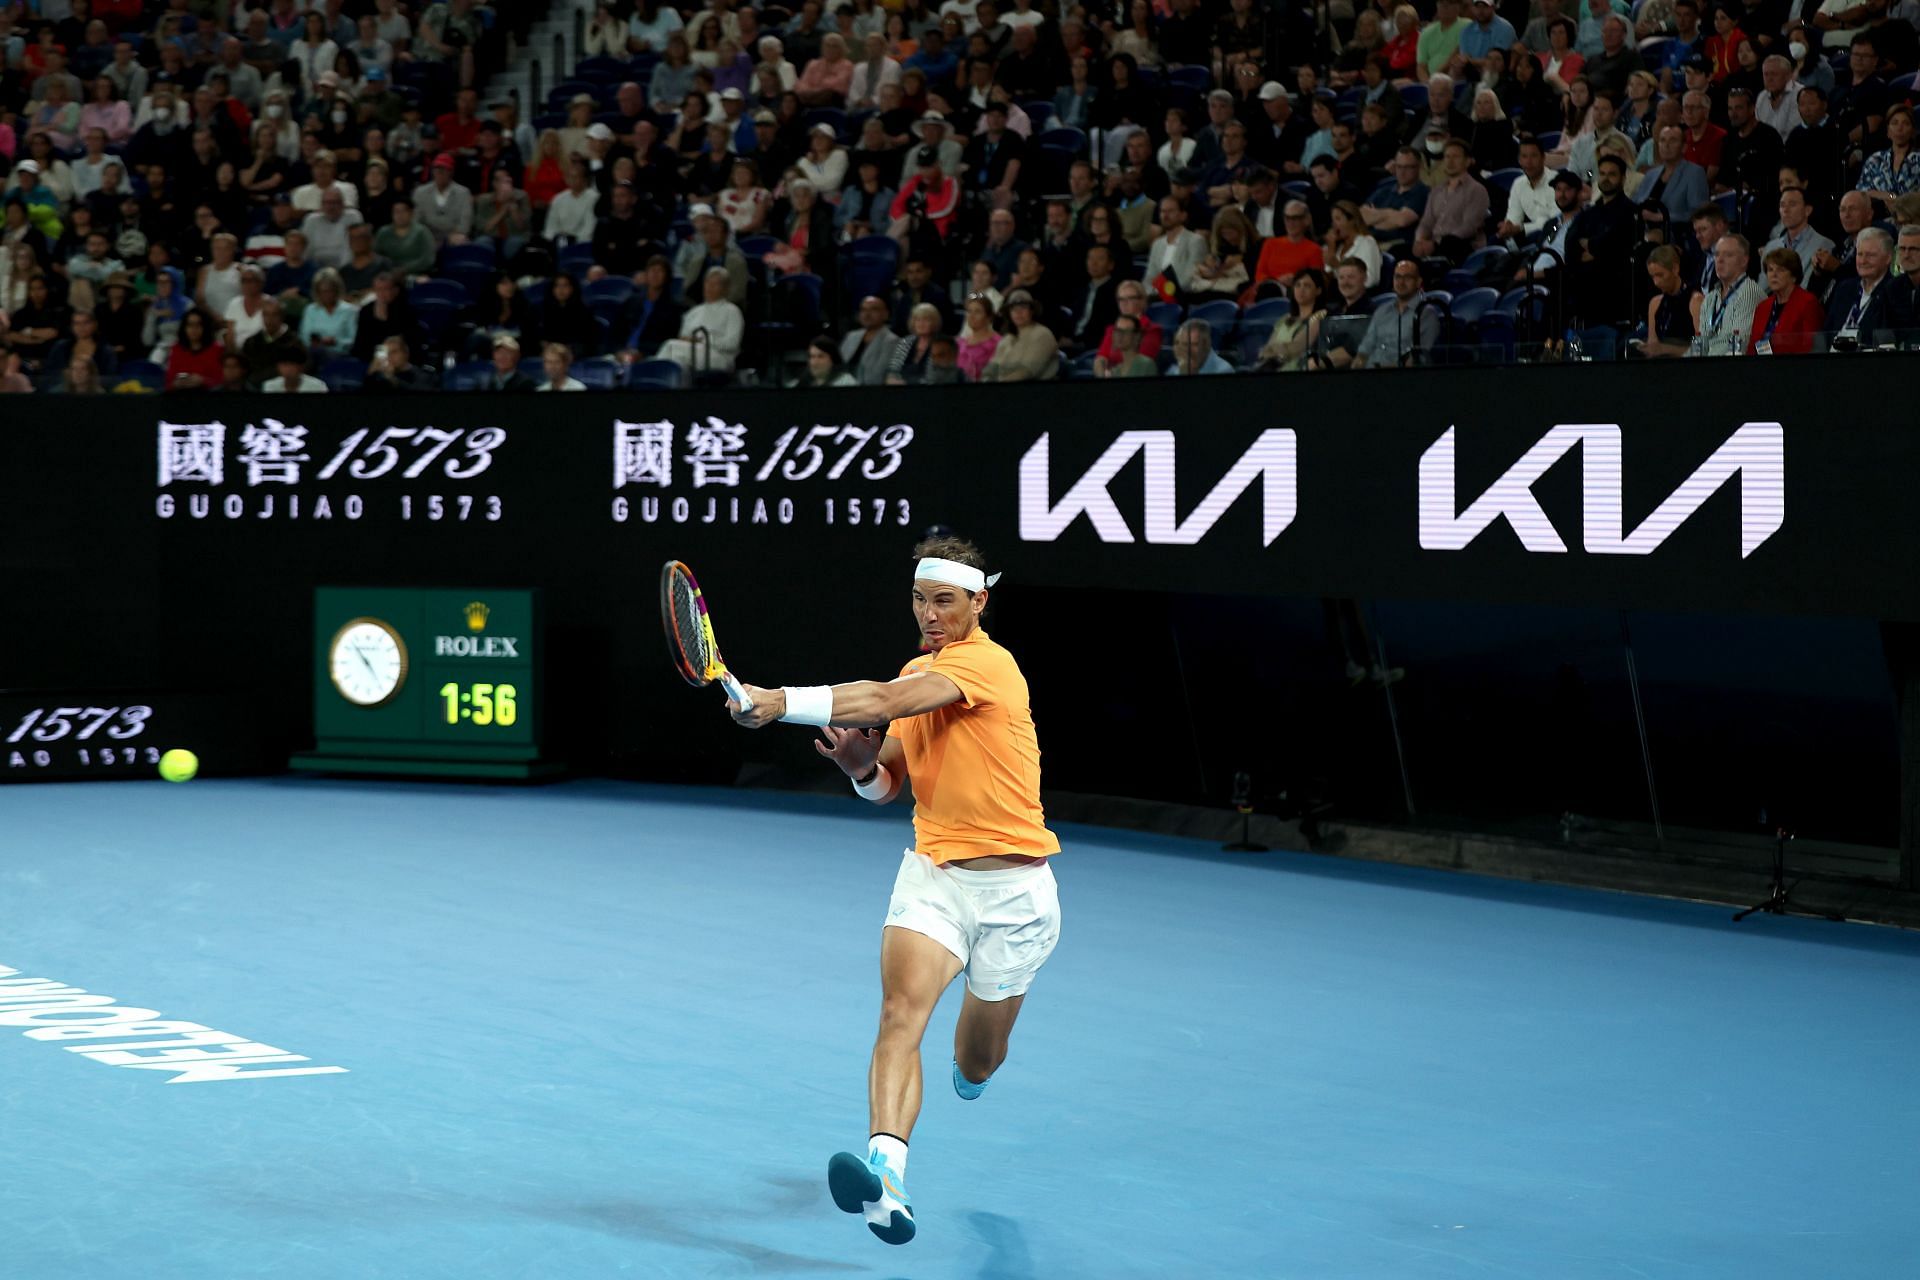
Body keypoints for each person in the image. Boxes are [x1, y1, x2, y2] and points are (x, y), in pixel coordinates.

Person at [726, 535, 1062, 1250]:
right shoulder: (920, 674)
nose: (931, 614)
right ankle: (889, 1178)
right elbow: (887, 784)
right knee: (899, 1013)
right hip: (934, 877)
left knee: (978, 1061)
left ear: (979, 601)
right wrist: (857, 767)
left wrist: (777, 701)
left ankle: (971, 1072)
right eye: (920, 599)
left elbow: (879, 700)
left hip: (1016, 896)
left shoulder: (988, 666)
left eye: (945, 601)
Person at [1353, 258, 1441, 368]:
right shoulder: (1382, 311)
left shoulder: (1426, 313)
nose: (1401, 282)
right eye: (1397, 277)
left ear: (1418, 282)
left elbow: (1421, 358)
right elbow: (1364, 351)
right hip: (1369, 375)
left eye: (1407, 277)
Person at [657, 267, 746, 372]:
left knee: (671, 348)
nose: (710, 287)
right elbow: (683, 337)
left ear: (725, 288)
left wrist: (703, 340)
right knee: (675, 354)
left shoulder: (732, 311)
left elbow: (732, 344)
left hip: (720, 356)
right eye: (708, 283)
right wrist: (691, 340)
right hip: (690, 351)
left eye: (715, 284)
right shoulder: (694, 311)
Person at [1690, 233, 1764, 354]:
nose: (1720, 260)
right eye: (1717, 254)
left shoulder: (1749, 292)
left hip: (1733, 367)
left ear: (1744, 261)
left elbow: (1739, 344)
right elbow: (1700, 341)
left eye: (1728, 255)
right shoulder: (1710, 298)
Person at [1746, 246, 1824, 353]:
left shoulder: (1807, 303)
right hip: (1761, 366)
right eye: (1770, 270)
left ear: (1794, 276)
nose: (1774, 275)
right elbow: (1752, 347)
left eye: (1781, 270)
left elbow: (1811, 348)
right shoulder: (1763, 307)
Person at [1256, 268, 1330, 371]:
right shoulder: (1285, 318)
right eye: (1297, 285)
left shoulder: (1320, 315)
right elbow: (1266, 349)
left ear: (1318, 290)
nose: (1301, 289)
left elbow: (1299, 346)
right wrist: (1273, 350)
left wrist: (1274, 350)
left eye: (1307, 285)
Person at [1634, 244, 1699, 357]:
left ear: (1675, 269)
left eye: (1660, 275)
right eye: (1653, 277)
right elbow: (1653, 347)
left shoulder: (1695, 301)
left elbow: (1702, 350)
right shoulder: (1655, 303)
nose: (1656, 282)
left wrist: (1665, 349)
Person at [980, 289, 1059, 380]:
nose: (1018, 312)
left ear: (1032, 311)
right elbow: (991, 369)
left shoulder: (1042, 334)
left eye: (1023, 307)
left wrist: (997, 388)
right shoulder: (1007, 339)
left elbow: (1026, 372)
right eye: (1013, 308)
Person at [164, 307, 224, 391]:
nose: (194, 329)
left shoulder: (217, 349)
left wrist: (203, 381)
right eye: (190, 325)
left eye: (198, 325)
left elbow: (221, 381)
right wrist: (176, 383)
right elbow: (169, 381)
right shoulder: (176, 349)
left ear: (205, 327)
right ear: (184, 328)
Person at [263, 349, 327, 392]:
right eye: (284, 365)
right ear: (278, 367)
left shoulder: (318, 386)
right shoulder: (270, 386)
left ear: (301, 367)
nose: (288, 369)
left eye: (291, 364)